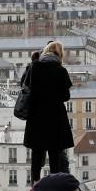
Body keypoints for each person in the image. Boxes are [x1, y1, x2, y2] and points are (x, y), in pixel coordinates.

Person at [23, 42, 74, 183]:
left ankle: (35, 182)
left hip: (36, 116)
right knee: (54, 152)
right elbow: (66, 96)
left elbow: (25, 86)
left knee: (37, 152)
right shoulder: (61, 71)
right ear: (60, 54)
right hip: (55, 116)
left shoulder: (34, 67)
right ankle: (54, 183)